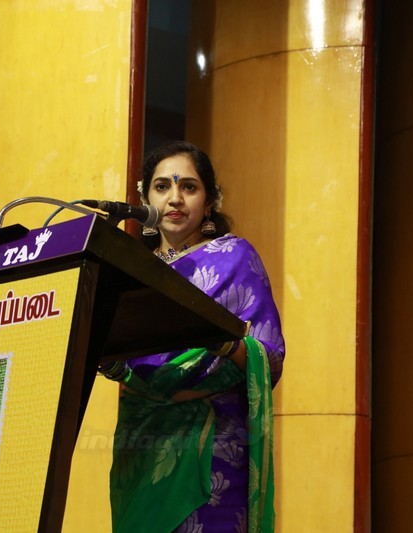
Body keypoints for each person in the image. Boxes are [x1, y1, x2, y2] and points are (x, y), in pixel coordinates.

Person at [100, 141, 285, 533]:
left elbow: (268, 359)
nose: (175, 198)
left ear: (210, 201)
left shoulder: (234, 257)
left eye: (189, 186)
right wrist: (110, 363)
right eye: (162, 187)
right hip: (143, 447)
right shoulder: (133, 272)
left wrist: (221, 339)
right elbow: (129, 365)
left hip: (213, 448)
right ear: (145, 198)